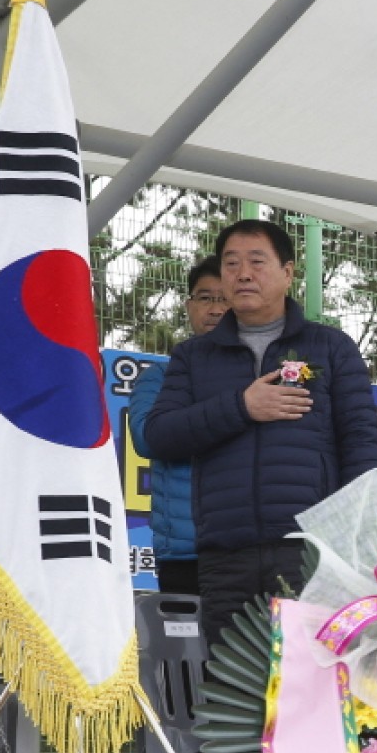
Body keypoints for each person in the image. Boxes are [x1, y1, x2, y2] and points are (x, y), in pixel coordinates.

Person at [145, 218, 377, 654]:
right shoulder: (193, 357)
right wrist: (242, 407)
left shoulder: (330, 348)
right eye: (231, 263)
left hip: (309, 552)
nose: (243, 274)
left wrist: (353, 542)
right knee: (233, 691)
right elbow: (160, 434)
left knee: (311, 685)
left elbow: (361, 445)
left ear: (288, 273)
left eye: (257, 261)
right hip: (222, 553)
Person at [129, 255, 226, 597]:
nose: (216, 309)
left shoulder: (263, 375)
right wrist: (230, 413)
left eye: (225, 298)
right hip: (184, 554)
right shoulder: (158, 378)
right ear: (189, 306)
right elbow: (145, 437)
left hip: (247, 549)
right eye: (205, 298)